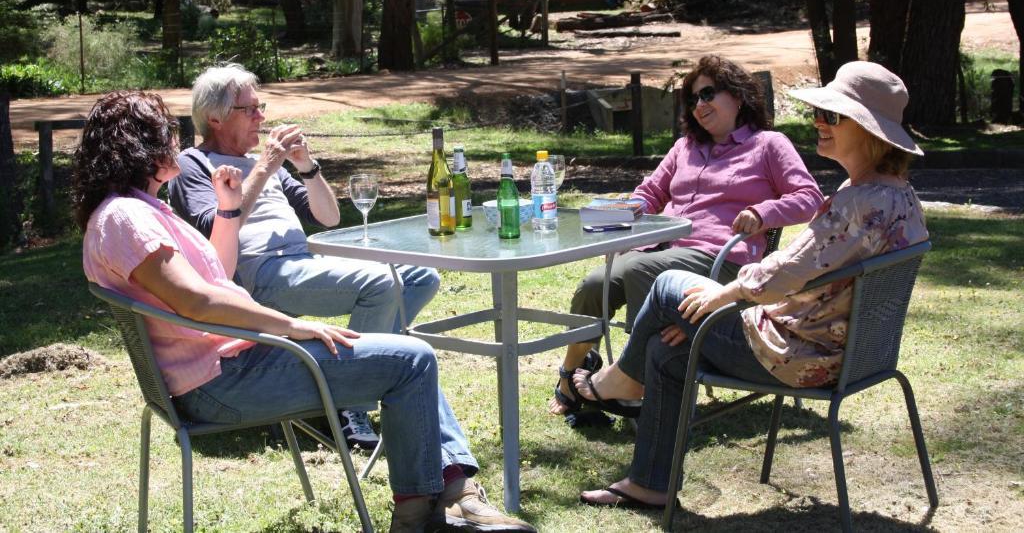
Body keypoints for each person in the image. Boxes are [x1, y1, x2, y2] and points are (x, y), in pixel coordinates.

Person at [75, 91, 534, 533]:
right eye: (164, 133)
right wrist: (292, 326)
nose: (175, 140)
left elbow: (219, 272)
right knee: (411, 361)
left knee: (404, 354)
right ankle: (432, 511)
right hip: (222, 381)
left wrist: (230, 210)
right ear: (140, 147)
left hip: (225, 367)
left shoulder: (138, 210)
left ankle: (447, 498)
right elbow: (197, 300)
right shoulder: (125, 217)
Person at [573, 61, 929, 508]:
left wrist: (726, 294)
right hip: (845, 351)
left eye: (832, 116)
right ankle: (652, 484)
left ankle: (619, 381)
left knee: (666, 285)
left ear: (868, 131)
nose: (819, 122)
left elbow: (784, 274)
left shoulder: (860, 203)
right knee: (667, 350)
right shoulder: (899, 196)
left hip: (797, 354)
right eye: (821, 113)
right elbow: (809, 271)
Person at [168, 64, 440, 449]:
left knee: (420, 276)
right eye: (250, 109)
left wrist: (306, 167)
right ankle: (347, 405)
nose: (261, 118)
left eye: (262, 107)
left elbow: (327, 218)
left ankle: (348, 379)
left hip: (301, 263)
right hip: (256, 274)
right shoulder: (192, 165)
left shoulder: (270, 166)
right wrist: (265, 166)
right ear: (215, 117)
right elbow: (213, 224)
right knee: (381, 284)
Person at [550, 55, 823, 416]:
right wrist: (616, 212)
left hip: (721, 261)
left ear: (737, 96)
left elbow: (810, 198)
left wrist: (762, 212)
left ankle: (635, 381)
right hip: (666, 250)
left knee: (638, 272)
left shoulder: (769, 145)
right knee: (594, 283)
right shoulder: (685, 148)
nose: (700, 105)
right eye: (693, 99)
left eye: (708, 94)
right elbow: (649, 194)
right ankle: (571, 375)